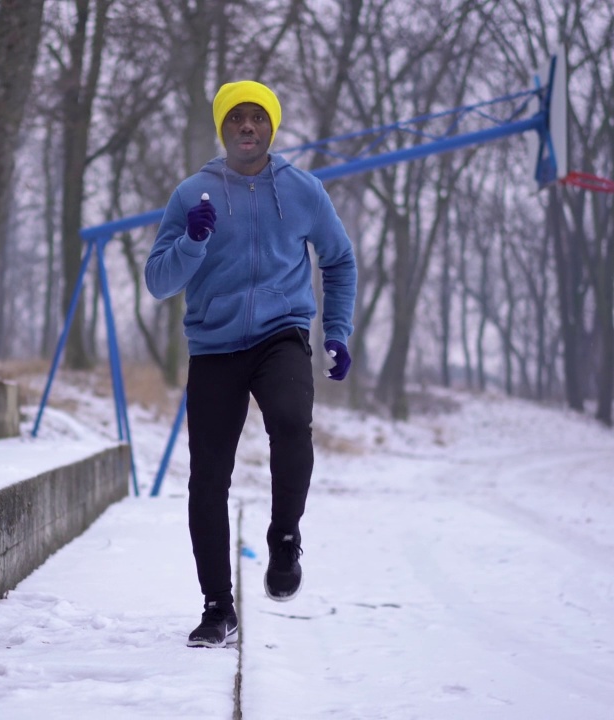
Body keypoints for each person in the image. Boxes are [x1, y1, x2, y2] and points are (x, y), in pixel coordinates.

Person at [144, 80, 357, 648]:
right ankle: (218, 608)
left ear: (271, 127)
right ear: (222, 128)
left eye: (256, 118)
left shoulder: (304, 191)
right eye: (235, 118)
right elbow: (158, 280)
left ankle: (285, 538)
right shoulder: (193, 194)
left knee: (291, 418)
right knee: (207, 479)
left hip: (280, 336)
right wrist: (191, 243)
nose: (246, 126)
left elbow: (339, 260)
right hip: (214, 346)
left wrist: (335, 331)